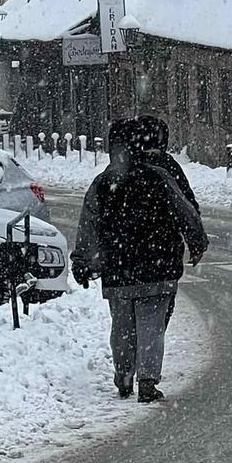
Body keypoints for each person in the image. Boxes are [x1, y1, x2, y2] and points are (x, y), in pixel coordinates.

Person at [72, 115, 206, 402]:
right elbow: (185, 210)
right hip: (159, 265)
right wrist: (196, 241)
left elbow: (88, 223)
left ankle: (123, 375)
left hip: (118, 267)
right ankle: (147, 379)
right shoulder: (160, 176)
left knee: (121, 326)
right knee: (152, 325)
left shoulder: (104, 181)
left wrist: (83, 260)